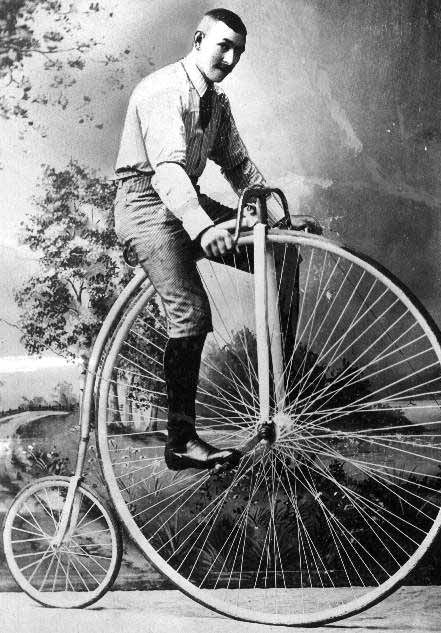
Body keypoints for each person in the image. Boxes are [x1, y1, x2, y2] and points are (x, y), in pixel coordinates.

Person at [114, 8, 320, 471]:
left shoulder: (215, 103)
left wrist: (277, 219)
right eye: (223, 46)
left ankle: (281, 392)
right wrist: (203, 227)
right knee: (190, 313)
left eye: (238, 52)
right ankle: (180, 441)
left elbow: (240, 168)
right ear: (198, 38)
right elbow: (167, 170)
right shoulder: (165, 90)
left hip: (187, 197)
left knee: (278, 252)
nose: (230, 58)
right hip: (147, 205)